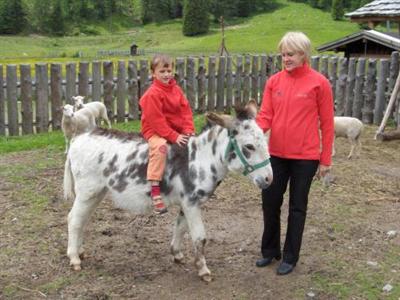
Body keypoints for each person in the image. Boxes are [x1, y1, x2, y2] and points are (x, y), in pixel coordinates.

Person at [255, 32, 334, 275]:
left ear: (303, 54)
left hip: (305, 158)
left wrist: (325, 160)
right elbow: (265, 116)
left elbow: (327, 123)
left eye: (290, 54)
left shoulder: (319, 83)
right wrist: (251, 136)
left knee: (297, 207)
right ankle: (270, 251)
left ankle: (290, 256)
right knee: (270, 202)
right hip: (276, 154)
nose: (285, 59)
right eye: (283, 54)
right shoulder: (274, 82)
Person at [139, 54, 195, 214]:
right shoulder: (152, 94)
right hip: (155, 130)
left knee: (192, 145)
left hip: (175, 129)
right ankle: (155, 188)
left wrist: (188, 130)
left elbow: (186, 111)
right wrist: (173, 136)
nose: (166, 74)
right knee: (161, 148)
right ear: (153, 73)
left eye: (169, 70)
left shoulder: (176, 90)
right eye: (162, 71)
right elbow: (156, 121)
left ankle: (184, 182)